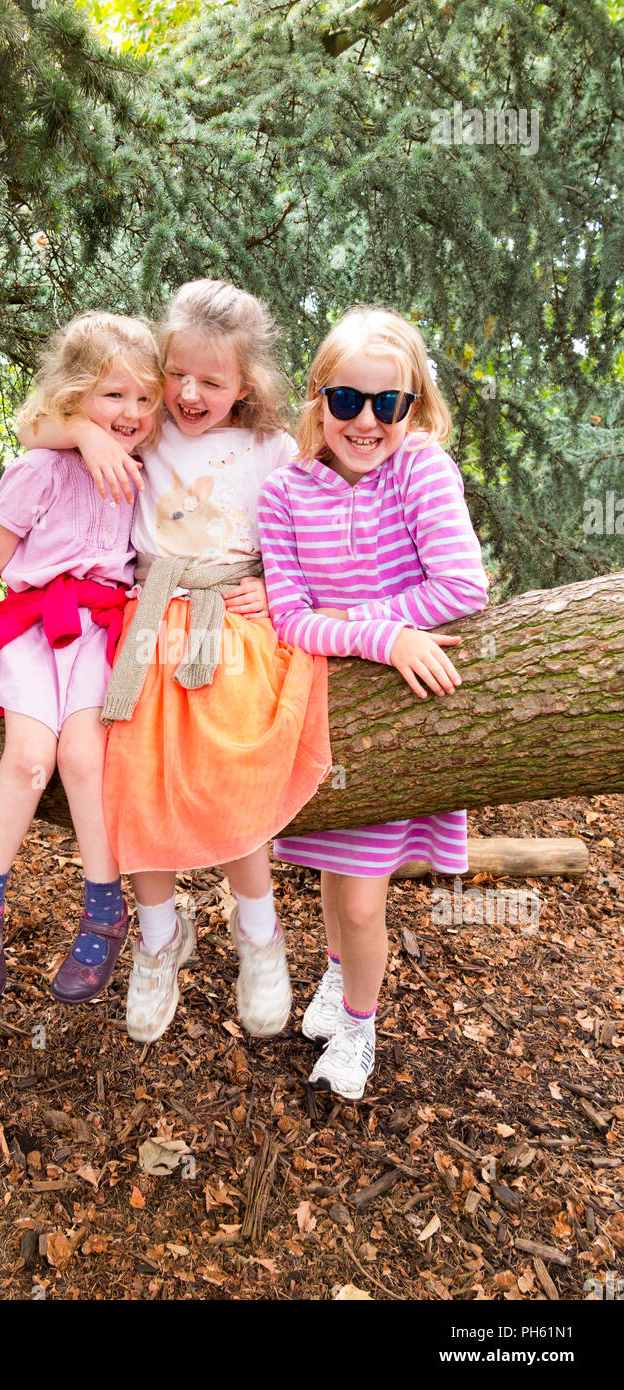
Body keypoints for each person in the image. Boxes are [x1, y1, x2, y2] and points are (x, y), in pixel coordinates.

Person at [17, 280, 332, 1043]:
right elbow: (38, 424)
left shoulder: (271, 449)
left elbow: (313, 534)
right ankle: (159, 939)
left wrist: (271, 584)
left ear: (246, 384)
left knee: (230, 764)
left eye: (211, 381)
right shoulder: (144, 431)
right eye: (177, 375)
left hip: (231, 618)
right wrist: (87, 436)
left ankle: (258, 933)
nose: (189, 393)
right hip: (149, 617)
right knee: (129, 772)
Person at [258, 305, 489, 1099]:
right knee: (329, 871)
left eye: (386, 404)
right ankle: (334, 981)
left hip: (393, 718)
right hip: (326, 714)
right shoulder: (282, 492)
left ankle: (359, 1023)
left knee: (360, 902)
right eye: (346, 400)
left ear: (413, 408)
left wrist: (361, 630)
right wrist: (384, 636)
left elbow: (462, 587)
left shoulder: (421, 469)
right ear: (318, 399)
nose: (364, 421)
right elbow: (289, 618)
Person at [0, 312, 161, 1003]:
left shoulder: (149, 461)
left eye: (143, 398)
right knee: (27, 759)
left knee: (83, 757)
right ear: (75, 395)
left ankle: (106, 911)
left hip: (102, 631)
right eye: (112, 396)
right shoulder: (39, 467)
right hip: (33, 630)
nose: (130, 413)